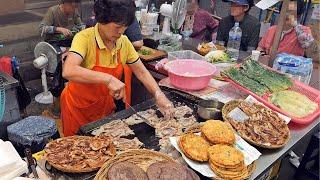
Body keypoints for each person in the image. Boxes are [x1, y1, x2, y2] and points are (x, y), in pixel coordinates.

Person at [61, 0, 174, 136]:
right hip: (78, 109)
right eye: (117, 26)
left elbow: (142, 72)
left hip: (104, 109)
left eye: (125, 27)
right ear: (102, 20)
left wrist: (158, 95)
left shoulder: (124, 43)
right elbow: (69, 70)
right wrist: (109, 79)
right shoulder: (84, 38)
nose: (121, 31)